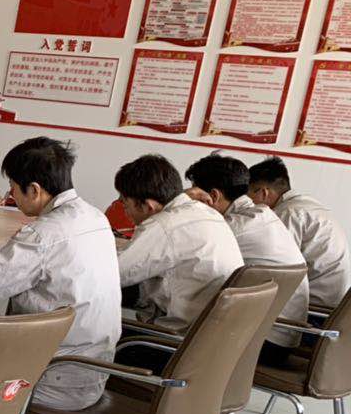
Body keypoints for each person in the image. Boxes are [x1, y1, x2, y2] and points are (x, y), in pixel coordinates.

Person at [0, 138, 119, 410]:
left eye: (13, 188)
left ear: (34, 190)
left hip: (49, 377)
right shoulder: (95, 217)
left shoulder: (45, 233)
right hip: (93, 370)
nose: (11, 194)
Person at [187, 154, 309, 360]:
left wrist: (181, 204)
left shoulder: (234, 226)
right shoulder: (262, 216)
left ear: (213, 196)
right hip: (279, 336)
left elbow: (180, 248)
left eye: (195, 198)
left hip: (262, 341)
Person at [115, 154, 242, 335]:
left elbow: (113, 274)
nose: (125, 211)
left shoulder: (164, 224)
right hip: (212, 337)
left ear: (148, 206)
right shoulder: (206, 212)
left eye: (125, 204)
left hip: (174, 340)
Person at [248, 156, 351, 311]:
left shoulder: (288, 214)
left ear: (263, 193)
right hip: (333, 304)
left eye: (248, 197)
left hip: (315, 310)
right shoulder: (308, 206)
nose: (249, 204)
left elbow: (277, 268)